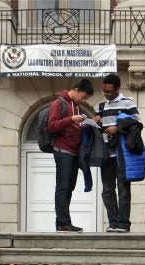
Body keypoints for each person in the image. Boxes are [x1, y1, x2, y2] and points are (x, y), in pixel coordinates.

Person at [94, 73, 141, 233]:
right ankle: (113, 223)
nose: (106, 94)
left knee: (123, 188)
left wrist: (118, 127)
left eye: (109, 91)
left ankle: (124, 224)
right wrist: (97, 122)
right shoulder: (101, 106)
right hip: (106, 153)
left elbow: (138, 123)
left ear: (117, 89)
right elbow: (101, 129)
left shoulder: (128, 103)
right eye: (104, 91)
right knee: (107, 190)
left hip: (122, 153)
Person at [48, 79, 94, 233]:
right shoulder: (59, 103)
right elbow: (52, 125)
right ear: (75, 90)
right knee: (62, 187)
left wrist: (88, 123)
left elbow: (75, 128)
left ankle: (62, 223)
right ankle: (63, 223)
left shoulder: (76, 106)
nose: (84, 100)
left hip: (74, 152)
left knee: (69, 188)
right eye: (83, 96)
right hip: (63, 150)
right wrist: (71, 119)